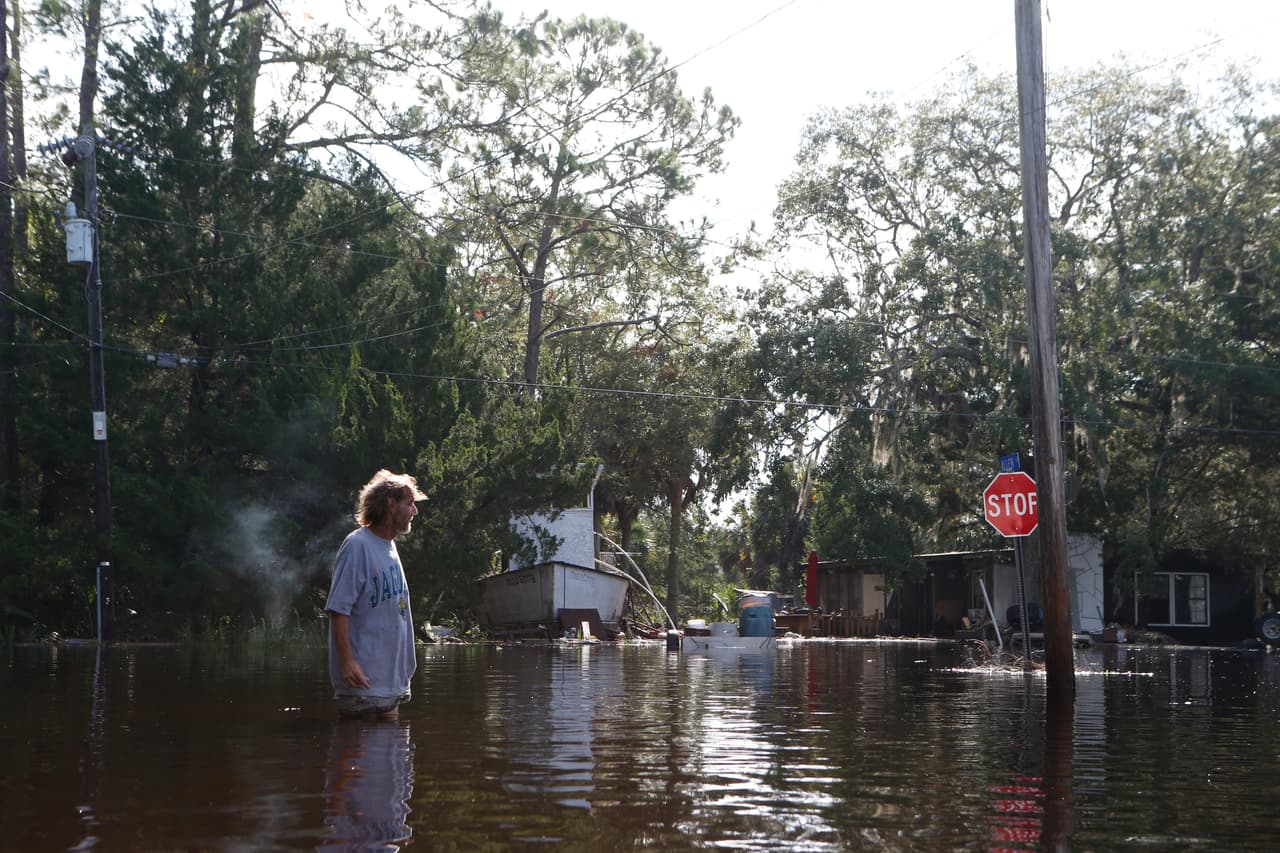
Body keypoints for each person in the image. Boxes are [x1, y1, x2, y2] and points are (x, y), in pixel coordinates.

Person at [326, 469, 427, 720]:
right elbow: (338, 609)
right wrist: (347, 662)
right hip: (362, 686)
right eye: (410, 504)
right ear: (390, 504)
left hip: (391, 687)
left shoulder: (389, 546)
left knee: (394, 753)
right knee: (354, 752)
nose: (414, 511)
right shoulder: (357, 545)